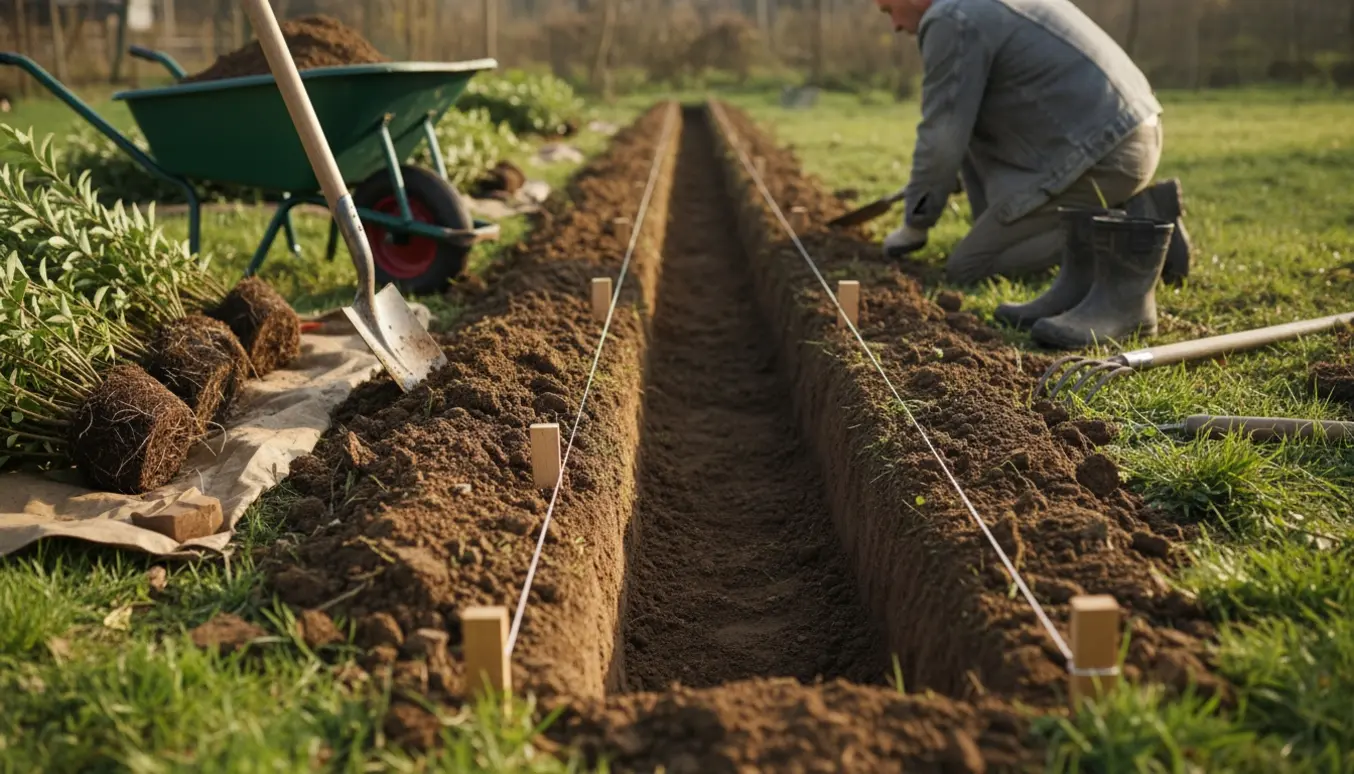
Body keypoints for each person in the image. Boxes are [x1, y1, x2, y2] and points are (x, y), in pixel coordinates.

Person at [875, 0, 1193, 348]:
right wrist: (936, 182)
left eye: (889, 9)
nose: (894, 25)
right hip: (1129, 130)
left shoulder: (950, 17)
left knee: (970, 265)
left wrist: (915, 224)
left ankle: (1136, 224)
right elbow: (963, 121)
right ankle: (1126, 218)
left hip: (1103, 155)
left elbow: (942, 135)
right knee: (987, 220)